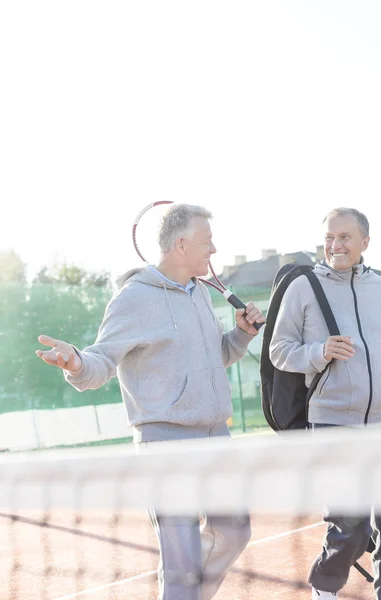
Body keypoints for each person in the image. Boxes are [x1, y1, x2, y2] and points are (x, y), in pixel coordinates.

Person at [36, 203, 265, 600]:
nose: (213, 250)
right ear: (181, 244)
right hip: (165, 445)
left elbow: (216, 357)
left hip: (215, 439)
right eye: (207, 242)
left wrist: (240, 335)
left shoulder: (198, 295)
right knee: (180, 563)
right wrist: (74, 362)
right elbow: (101, 361)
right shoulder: (133, 299)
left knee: (234, 529)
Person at [269, 207, 381, 600]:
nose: (335, 244)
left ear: (365, 242)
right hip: (333, 422)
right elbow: (279, 350)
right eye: (329, 237)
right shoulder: (304, 287)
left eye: (344, 237)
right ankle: (324, 588)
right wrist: (319, 351)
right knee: (350, 526)